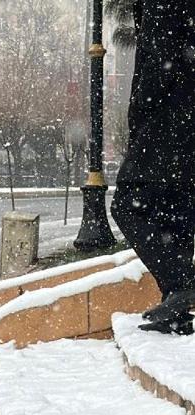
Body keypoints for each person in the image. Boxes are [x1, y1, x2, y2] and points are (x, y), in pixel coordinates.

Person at [110, 0, 195, 335]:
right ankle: (175, 305)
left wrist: (139, 114)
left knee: (127, 205)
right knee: (177, 209)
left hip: (167, 121)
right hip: (185, 119)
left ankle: (181, 284)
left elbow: (160, 61)